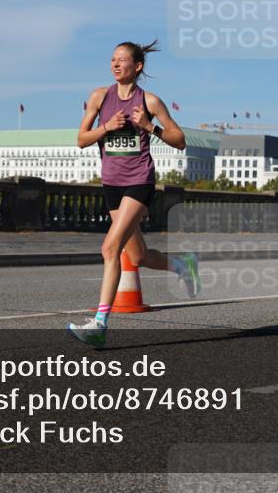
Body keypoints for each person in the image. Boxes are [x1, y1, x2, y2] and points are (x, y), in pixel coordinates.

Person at [67, 40, 200, 348]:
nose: (115, 64)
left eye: (122, 60)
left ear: (137, 67)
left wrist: (149, 126)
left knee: (109, 248)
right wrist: (106, 128)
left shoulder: (150, 101)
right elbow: (81, 139)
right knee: (136, 256)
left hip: (139, 182)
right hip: (111, 183)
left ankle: (99, 324)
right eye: (112, 59)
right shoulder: (99, 97)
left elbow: (180, 140)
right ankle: (182, 265)